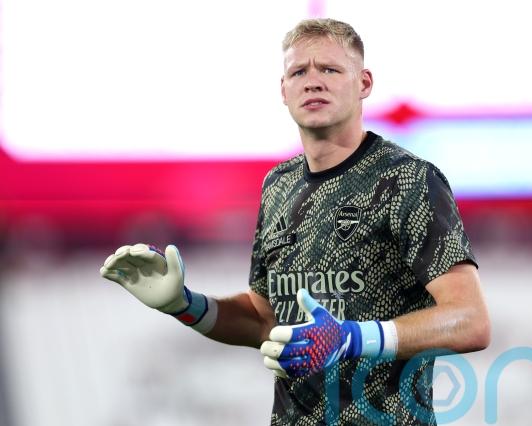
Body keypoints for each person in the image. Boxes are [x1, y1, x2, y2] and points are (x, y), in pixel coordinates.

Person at [100, 18, 490, 425]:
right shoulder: (278, 185)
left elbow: (471, 320)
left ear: (364, 83)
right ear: (283, 90)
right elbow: (264, 319)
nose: (313, 82)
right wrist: (185, 305)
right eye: (299, 72)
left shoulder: (407, 179)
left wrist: (353, 338)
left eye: (330, 69)